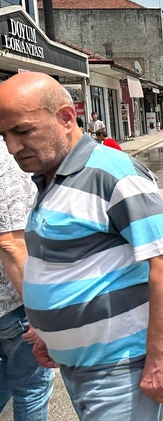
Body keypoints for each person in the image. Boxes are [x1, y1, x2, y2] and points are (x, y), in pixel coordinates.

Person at [0, 72, 163, 420]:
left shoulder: (110, 172)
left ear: (66, 117)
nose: (12, 148)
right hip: (83, 365)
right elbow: (67, 266)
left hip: (120, 368)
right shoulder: (51, 177)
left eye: (23, 131)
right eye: (4, 136)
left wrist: (160, 359)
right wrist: (48, 333)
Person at [0, 136, 54, 420]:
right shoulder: (6, 159)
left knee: (9, 378)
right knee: (31, 388)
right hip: (12, 304)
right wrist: (38, 313)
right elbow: (10, 242)